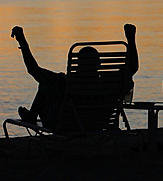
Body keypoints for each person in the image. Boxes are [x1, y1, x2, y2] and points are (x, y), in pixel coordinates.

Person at [11, 23, 139, 130]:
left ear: (77, 64)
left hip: (66, 126)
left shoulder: (64, 82)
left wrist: (22, 41)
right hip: (98, 125)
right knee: (47, 83)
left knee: (45, 84)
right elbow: (132, 68)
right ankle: (31, 116)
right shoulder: (109, 82)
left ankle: (31, 117)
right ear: (99, 64)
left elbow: (34, 70)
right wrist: (131, 40)